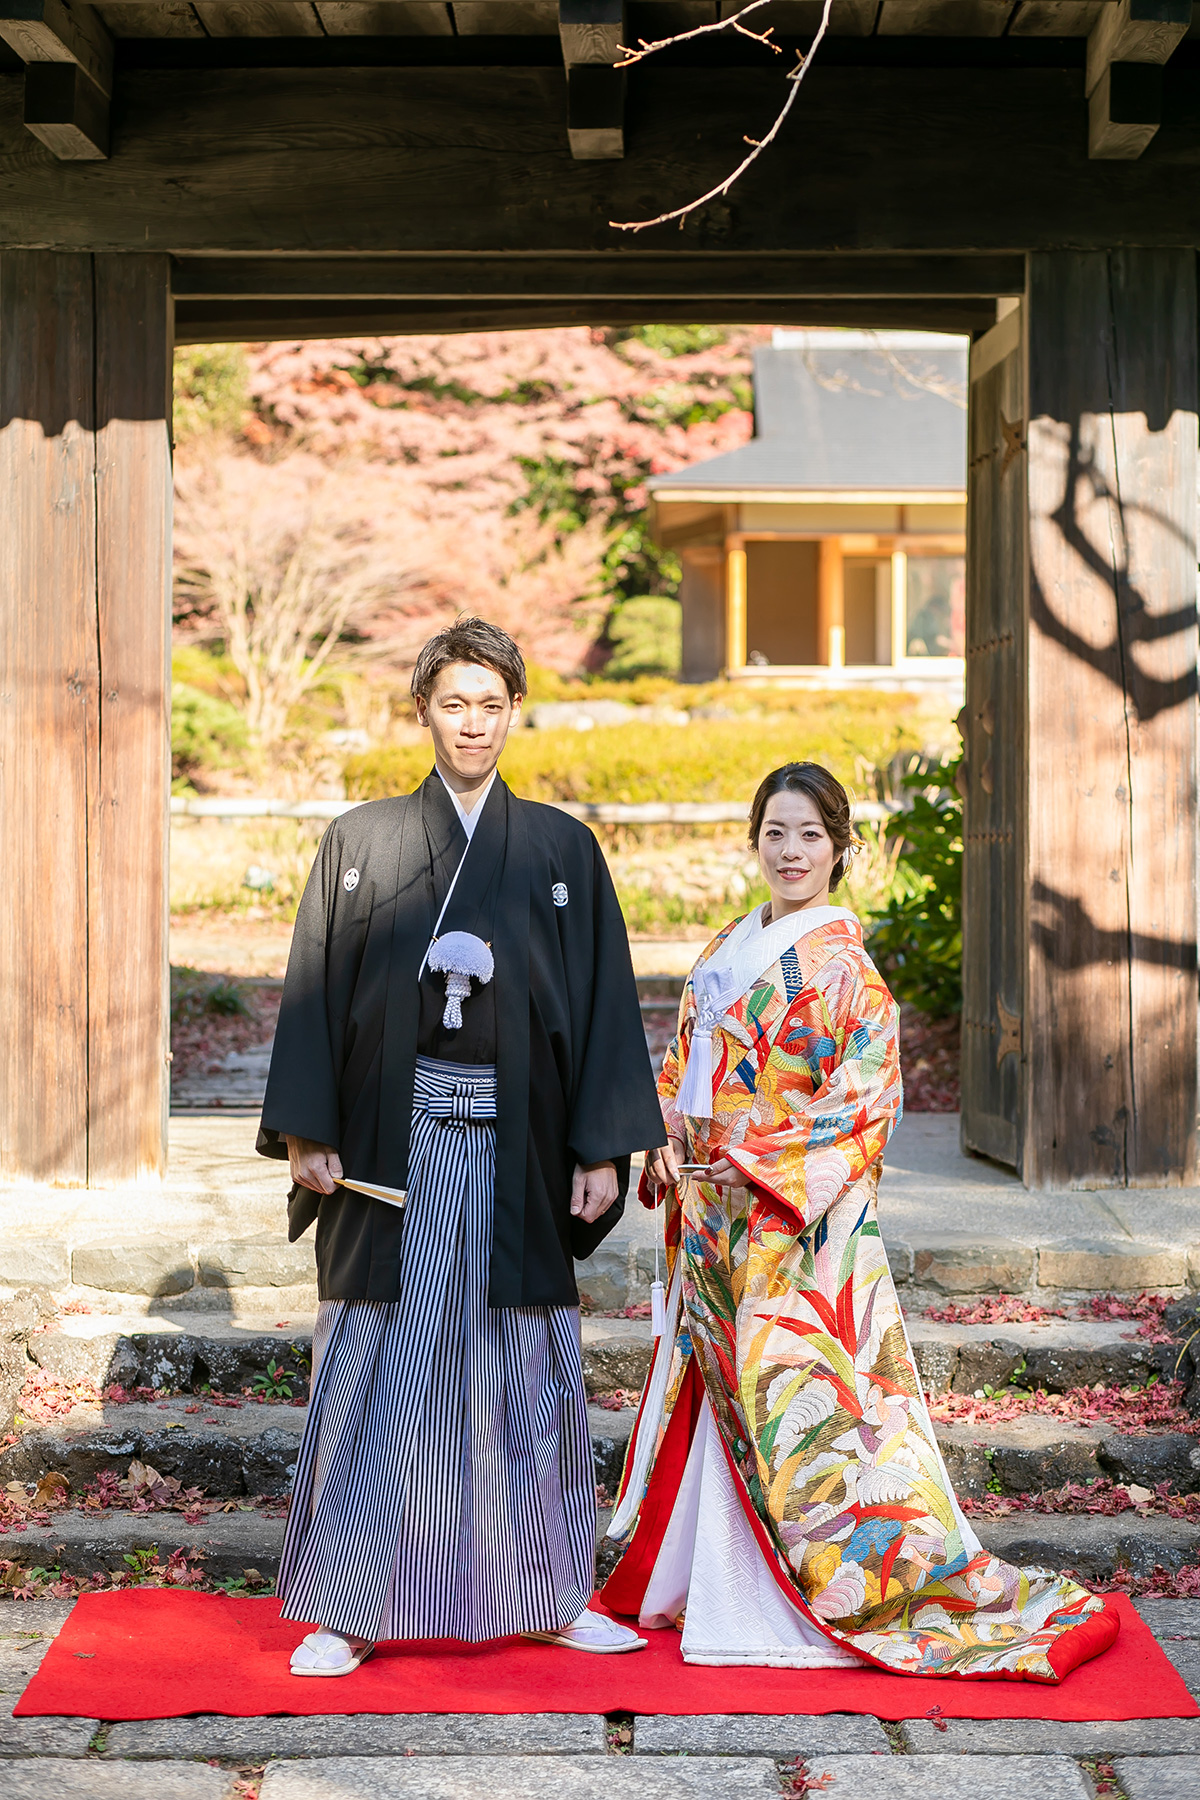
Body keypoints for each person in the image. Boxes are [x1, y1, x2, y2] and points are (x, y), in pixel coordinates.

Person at [601, 762, 1118, 1680]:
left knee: (799, 1406)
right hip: (714, 1214)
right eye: (774, 833)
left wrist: (753, 1160)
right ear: (754, 840)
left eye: (809, 835)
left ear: (841, 849)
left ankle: (801, 1591)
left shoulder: (848, 972)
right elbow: (685, 1061)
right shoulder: (732, 941)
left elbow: (867, 1101)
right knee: (727, 1398)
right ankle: (708, 1581)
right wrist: (666, 1134)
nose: (790, 851)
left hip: (789, 1225)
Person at [258, 617, 664, 1674]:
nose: (473, 722)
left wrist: (601, 1147)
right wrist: (310, 1128)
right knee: (378, 1360)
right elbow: (314, 989)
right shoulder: (363, 842)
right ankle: (352, 1606)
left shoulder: (563, 850)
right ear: (425, 712)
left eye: (491, 704)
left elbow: (603, 1006)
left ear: (513, 712)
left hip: (517, 1148)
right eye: (454, 703)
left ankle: (550, 1593)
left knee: (523, 1367)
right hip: (392, 1153)